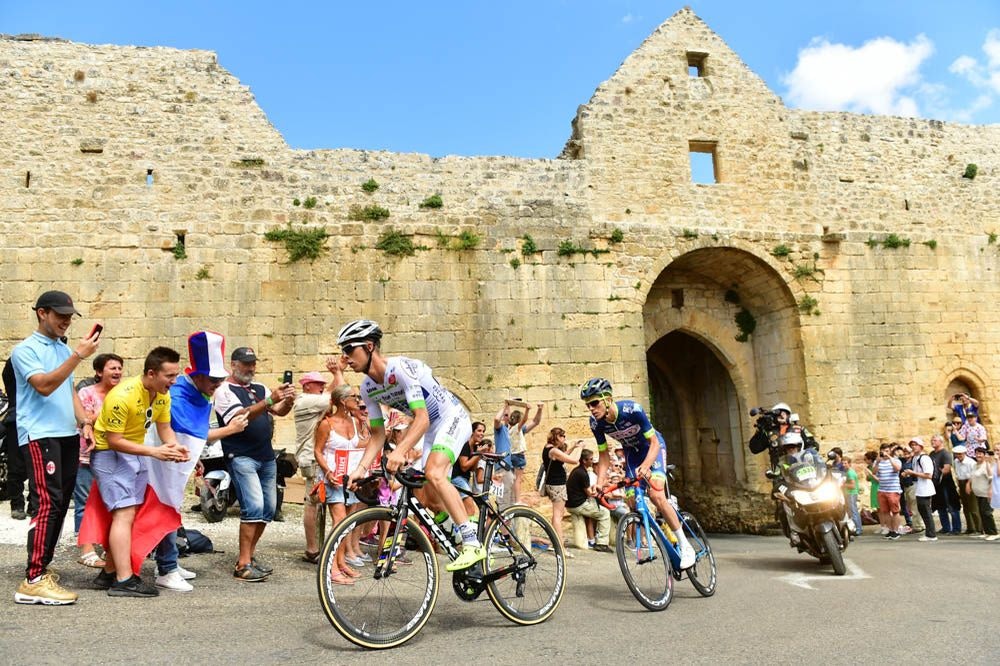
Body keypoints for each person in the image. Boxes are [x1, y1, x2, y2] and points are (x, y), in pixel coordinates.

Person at [339, 320, 483, 572]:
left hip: (450, 418)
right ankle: (466, 528)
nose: (346, 357)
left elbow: (422, 418)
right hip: (428, 430)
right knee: (430, 496)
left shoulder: (400, 370)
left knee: (435, 473)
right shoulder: (368, 388)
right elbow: (377, 435)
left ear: (369, 346)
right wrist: (360, 468)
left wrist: (400, 451)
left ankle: (473, 544)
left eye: (350, 349)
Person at [12, 290, 100, 605]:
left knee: (60, 504)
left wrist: (84, 423)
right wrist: (78, 356)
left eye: (69, 316)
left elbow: (69, 390)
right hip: (40, 435)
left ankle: (41, 570)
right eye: (60, 315)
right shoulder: (24, 350)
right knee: (47, 503)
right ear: (42, 313)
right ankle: (32, 579)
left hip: (65, 435)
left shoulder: (62, 350)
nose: (66, 321)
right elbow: (45, 386)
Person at [151, 331, 249, 592]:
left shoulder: (200, 393)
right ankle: (166, 568)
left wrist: (195, 459)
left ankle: (168, 562)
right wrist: (230, 430)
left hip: (176, 462)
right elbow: (191, 434)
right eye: (214, 380)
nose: (218, 385)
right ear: (198, 375)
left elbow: (191, 438)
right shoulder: (180, 394)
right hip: (160, 463)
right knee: (165, 512)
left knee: (171, 512)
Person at [90, 347, 190, 597]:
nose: (174, 381)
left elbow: (164, 428)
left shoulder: (161, 394)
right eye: (169, 376)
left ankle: (110, 572)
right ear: (151, 373)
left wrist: (174, 446)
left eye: (176, 375)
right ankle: (124, 581)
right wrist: (154, 452)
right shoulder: (122, 396)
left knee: (129, 514)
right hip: (110, 454)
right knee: (124, 513)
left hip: (135, 453)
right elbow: (114, 441)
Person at [580, 377, 696, 568]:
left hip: (652, 449)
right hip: (632, 454)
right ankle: (658, 531)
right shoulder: (596, 423)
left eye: (594, 403)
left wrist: (647, 465)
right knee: (633, 500)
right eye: (588, 405)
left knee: (656, 493)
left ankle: (684, 544)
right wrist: (599, 483)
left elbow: (655, 443)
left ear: (607, 399)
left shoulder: (631, 410)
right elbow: (603, 456)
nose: (591, 408)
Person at [214, 346, 295, 582]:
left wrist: (287, 401)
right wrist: (270, 399)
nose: (251, 368)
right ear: (234, 364)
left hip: (266, 456)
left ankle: (249, 555)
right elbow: (239, 417)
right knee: (253, 507)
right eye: (246, 363)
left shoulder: (259, 388)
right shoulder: (224, 390)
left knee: (268, 509)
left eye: (253, 363)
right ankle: (243, 563)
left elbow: (278, 411)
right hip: (241, 455)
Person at [314, 384, 367, 585]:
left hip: (350, 478)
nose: (359, 401)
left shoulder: (355, 422)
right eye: (355, 397)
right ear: (344, 401)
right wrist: (328, 471)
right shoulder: (327, 424)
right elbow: (318, 451)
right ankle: (331, 567)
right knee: (340, 521)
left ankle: (341, 562)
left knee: (349, 522)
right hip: (332, 479)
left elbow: (362, 445)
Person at [75, 353, 124, 568]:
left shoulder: (123, 393)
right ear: (98, 372)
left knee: (111, 503)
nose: (117, 372)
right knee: (84, 503)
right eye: (112, 368)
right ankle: (86, 549)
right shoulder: (86, 393)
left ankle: (109, 546)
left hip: (115, 457)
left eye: (119, 368)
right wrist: (105, 410)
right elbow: (83, 420)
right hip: (87, 456)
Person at [293, 360, 344, 564]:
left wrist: (338, 372)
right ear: (307, 386)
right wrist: (338, 372)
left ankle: (315, 547)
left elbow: (331, 391)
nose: (322, 385)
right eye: (318, 383)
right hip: (311, 459)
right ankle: (312, 549)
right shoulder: (306, 400)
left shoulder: (310, 399)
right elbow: (338, 393)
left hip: (311, 458)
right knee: (313, 502)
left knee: (314, 501)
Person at [2, 358, 33, 520]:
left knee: (37, 465)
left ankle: (33, 504)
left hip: (36, 420)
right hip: (17, 419)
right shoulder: (15, 362)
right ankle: (17, 504)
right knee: (16, 464)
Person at [540, 428, 578, 558]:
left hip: (553, 485)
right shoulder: (554, 450)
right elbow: (574, 460)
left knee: (557, 515)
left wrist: (573, 447)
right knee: (558, 517)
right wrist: (580, 449)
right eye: (562, 436)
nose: (564, 439)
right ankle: (560, 547)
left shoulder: (549, 448)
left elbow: (563, 458)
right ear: (556, 437)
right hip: (557, 486)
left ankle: (554, 542)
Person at [566, 448, 611, 551]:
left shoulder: (577, 471)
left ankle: (593, 539)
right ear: (584, 461)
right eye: (590, 459)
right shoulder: (583, 474)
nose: (592, 461)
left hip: (572, 503)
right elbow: (590, 494)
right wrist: (599, 488)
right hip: (578, 505)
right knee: (605, 513)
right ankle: (602, 543)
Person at [901, 438, 937, 542]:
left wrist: (912, 473)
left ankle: (931, 534)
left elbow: (928, 475)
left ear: (921, 446)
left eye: (915, 445)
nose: (913, 447)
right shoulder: (916, 458)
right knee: (923, 511)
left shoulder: (924, 458)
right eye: (912, 445)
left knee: (926, 511)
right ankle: (929, 533)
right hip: (920, 488)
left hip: (925, 488)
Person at [451, 421, 487, 516]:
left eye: (483, 431)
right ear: (472, 432)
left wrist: (478, 455)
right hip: (457, 478)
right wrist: (478, 454)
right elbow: (464, 466)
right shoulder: (465, 445)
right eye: (479, 430)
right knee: (470, 509)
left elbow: (472, 469)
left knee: (462, 511)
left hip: (465, 479)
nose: (482, 434)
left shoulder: (474, 447)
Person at [929, 434, 962, 534]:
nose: (932, 442)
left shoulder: (945, 453)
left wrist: (939, 472)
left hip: (945, 483)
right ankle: (946, 527)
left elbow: (946, 469)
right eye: (932, 440)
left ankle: (956, 529)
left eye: (934, 440)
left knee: (951, 506)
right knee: (940, 506)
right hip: (936, 484)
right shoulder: (931, 454)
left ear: (940, 442)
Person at [966, 448, 998, 541]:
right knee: (981, 513)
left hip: (986, 494)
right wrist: (968, 484)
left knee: (987, 513)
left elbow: (991, 478)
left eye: (980, 454)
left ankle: (993, 532)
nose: (978, 455)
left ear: (984, 455)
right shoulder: (975, 465)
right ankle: (986, 532)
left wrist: (991, 491)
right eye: (977, 453)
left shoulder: (987, 465)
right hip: (978, 493)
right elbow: (972, 476)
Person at [873, 443, 903, 540]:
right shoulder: (878, 462)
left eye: (887, 451)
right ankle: (890, 530)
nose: (885, 453)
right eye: (883, 451)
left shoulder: (896, 460)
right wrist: (877, 462)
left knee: (895, 511)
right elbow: (874, 472)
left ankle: (896, 530)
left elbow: (897, 468)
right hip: (882, 489)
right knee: (885, 511)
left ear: (890, 451)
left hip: (893, 490)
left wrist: (890, 458)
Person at [952, 445, 982, 536]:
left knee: (973, 507)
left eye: (960, 454)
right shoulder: (956, 462)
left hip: (970, 482)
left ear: (965, 453)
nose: (958, 456)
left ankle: (979, 528)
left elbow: (973, 475)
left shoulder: (970, 462)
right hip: (961, 482)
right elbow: (957, 473)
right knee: (966, 507)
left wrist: (968, 485)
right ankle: (970, 527)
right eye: (957, 454)